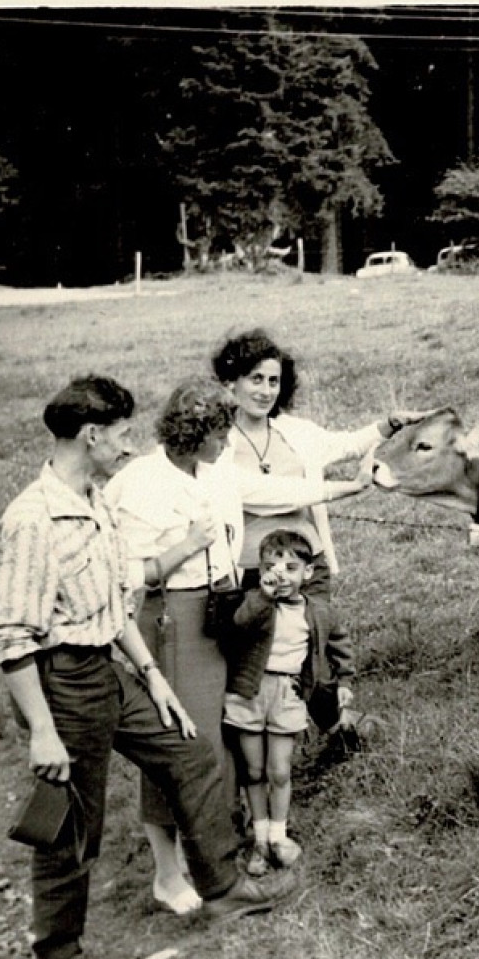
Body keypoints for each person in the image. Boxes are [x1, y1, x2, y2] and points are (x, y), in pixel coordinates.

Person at [0, 376, 297, 959]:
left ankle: (224, 888)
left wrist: (154, 679)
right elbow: (12, 639)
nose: (130, 448)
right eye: (123, 435)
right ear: (91, 434)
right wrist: (43, 731)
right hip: (61, 681)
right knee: (72, 818)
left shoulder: (95, 499)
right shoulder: (33, 519)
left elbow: (113, 604)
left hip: (110, 668)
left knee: (190, 756)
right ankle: (58, 957)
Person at [103, 378, 244, 915]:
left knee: (204, 739)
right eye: (221, 433)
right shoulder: (143, 482)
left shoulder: (202, 470)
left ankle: (204, 854)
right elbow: (128, 575)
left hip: (211, 613)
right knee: (174, 741)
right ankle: (167, 874)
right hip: (170, 620)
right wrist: (188, 545)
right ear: (197, 431)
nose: (227, 443)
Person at [211, 328, 413, 595]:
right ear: (231, 383)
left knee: (316, 634)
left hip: (308, 566)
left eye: (274, 381)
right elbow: (271, 493)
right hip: (251, 575)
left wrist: (391, 423)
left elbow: (347, 445)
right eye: (256, 379)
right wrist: (348, 487)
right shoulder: (217, 443)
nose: (266, 391)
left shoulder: (295, 430)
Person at [220, 528, 353, 875]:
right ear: (261, 571)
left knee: (279, 770)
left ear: (308, 573)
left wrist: (344, 681)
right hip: (249, 693)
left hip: (288, 695)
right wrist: (263, 596)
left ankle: (278, 835)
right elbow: (238, 624)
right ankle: (259, 840)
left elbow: (339, 644)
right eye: (271, 568)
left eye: (292, 568)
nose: (281, 576)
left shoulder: (317, 611)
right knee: (253, 770)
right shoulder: (256, 603)